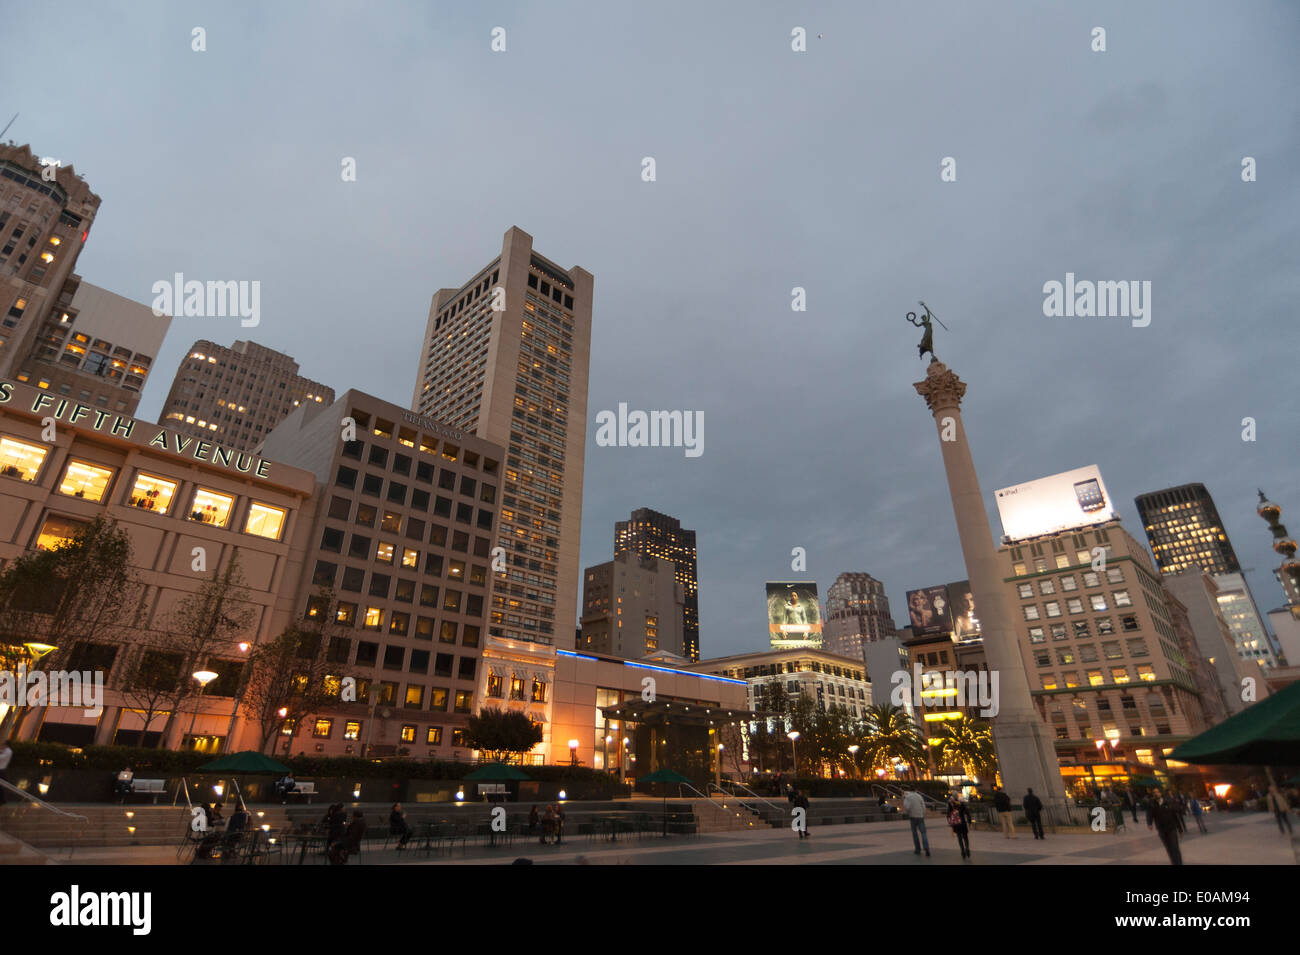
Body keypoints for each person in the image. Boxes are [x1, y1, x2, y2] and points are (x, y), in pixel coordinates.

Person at [1147, 790, 1183, 865]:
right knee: (1169, 848)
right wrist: (1149, 823)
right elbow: (1149, 814)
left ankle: (1179, 863)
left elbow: (1175, 815)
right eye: (1154, 792)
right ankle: (1174, 862)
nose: (1156, 794)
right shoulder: (1152, 804)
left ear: (1161, 793)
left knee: (1175, 847)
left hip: (1171, 828)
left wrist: (1180, 828)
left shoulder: (1167, 802)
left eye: (1157, 792)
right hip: (1161, 829)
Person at [902, 787, 930, 857]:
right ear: (915, 790)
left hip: (913, 816)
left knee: (915, 834)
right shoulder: (919, 796)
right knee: (923, 833)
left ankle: (918, 849)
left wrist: (908, 812)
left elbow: (907, 807)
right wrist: (922, 813)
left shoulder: (908, 797)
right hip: (920, 816)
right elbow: (923, 806)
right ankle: (926, 847)